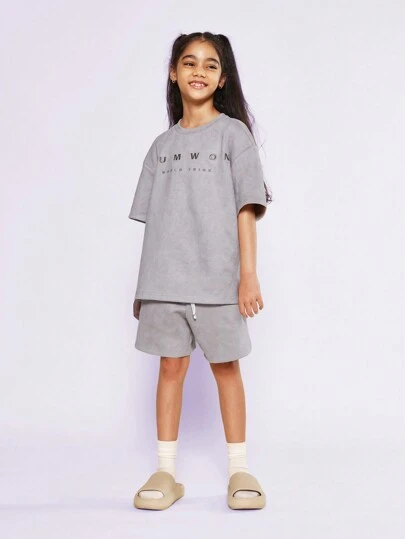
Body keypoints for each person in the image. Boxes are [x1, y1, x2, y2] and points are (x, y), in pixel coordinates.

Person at [129, 32, 273, 511]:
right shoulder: (161, 146)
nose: (199, 71)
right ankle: (165, 472)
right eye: (189, 62)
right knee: (170, 368)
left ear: (222, 78)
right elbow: (155, 223)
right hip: (164, 282)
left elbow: (246, 208)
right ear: (173, 73)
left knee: (226, 368)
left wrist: (248, 275)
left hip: (218, 282)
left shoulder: (234, 136)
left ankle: (239, 469)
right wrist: (144, 288)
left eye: (211, 65)